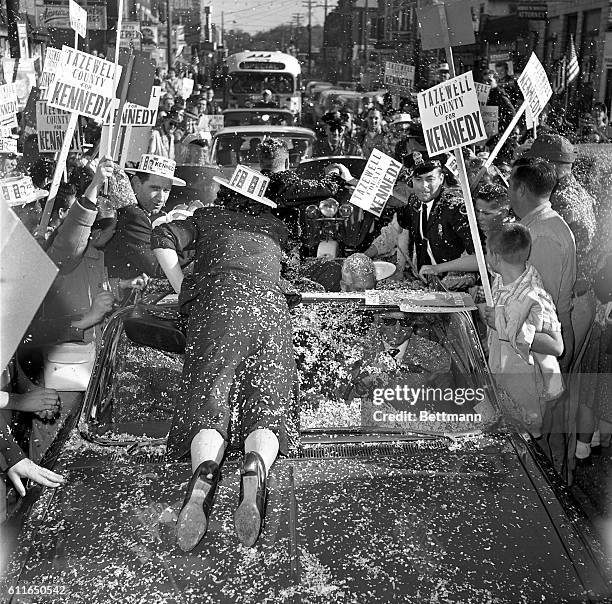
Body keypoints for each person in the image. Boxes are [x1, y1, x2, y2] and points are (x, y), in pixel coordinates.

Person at [151, 165, 298, 550]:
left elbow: (162, 235)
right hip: (269, 308)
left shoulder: (206, 217)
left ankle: (205, 470)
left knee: (208, 396)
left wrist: (185, 289)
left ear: (226, 193)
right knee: (267, 401)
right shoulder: (276, 230)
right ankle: (256, 467)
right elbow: (294, 278)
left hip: (217, 308)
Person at [480, 223, 565, 435]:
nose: (484, 256)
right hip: (500, 377)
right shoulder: (500, 279)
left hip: (525, 388)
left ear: (496, 256)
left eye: (486, 251)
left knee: (526, 443)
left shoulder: (535, 295)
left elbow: (556, 346)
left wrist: (505, 326)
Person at [524, 134, 597, 368]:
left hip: (565, 306)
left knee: (554, 385)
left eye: (534, 164)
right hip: (576, 300)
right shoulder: (575, 193)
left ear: (550, 166)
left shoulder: (560, 204)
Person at [509, 157, 576, 373]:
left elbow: (541, 307)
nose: (507, 190)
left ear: (521, 190)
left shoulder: (542, 235)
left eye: (510, 183)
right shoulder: (534, 226)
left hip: (540, 349)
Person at [364, 152, 474, 274]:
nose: (424, 186)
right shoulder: (414, 202)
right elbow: (395, 232)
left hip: (454, 287)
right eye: (418, 179)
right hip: (423, 282)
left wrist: (440, 269)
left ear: (441, 178)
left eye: (430, 179)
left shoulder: (456, 207)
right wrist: (365, 256)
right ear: (412, 180)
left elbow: (479, 257)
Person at [104, 154, 187, 279]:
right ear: (136, 183)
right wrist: (194, 244)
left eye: (166, 190)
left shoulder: (135, 212)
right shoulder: (134, 216)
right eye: (155, 188)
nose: (161, 198)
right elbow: (159, 268)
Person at [420, 183, 510, 277]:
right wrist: (437, 268)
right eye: (477, 211)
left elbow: (486, 261)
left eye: (486, 214)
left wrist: (438, 268)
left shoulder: (511, 237)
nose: (479, 217)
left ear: (503, 213)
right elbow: (479, 258)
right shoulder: (482, 231)